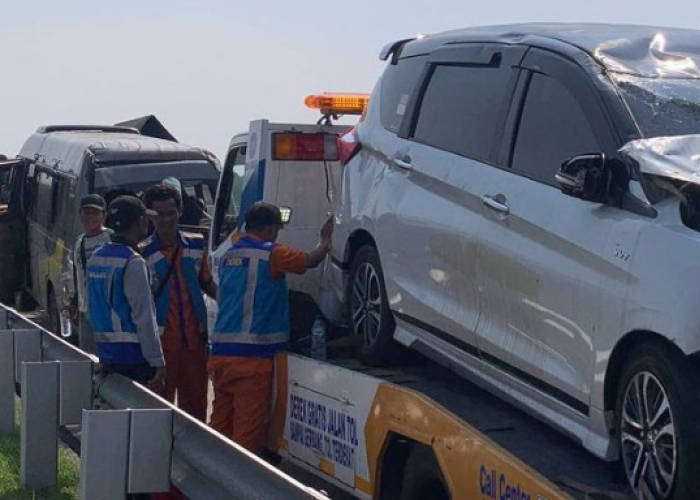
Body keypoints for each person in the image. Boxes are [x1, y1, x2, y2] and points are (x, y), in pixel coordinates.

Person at [208, 201, 333, 453]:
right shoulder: (272, 253)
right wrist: (325, 240)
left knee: (219, 428)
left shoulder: (229, 254)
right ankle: (238, 487)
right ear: (270, 229)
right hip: (251, 361)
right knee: (247, 436)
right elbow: (310, 261)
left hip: (221, 356)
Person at [140, 184, 216, 421]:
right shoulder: (141, 253)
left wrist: (235, 303)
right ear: (149, 215)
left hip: (195, 345)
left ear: (180, 211)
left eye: (171, 212)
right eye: (159, 214)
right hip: (160, 348)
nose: (165, 220)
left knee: (195, 417)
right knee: (158, 415)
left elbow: (207, 283)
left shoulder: (196, 244)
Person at [86, 195, 165, 391]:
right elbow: (144, 315)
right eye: (145, 219)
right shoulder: (133, 261)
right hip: (134, 356)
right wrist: (157, 360)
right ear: (139, 223)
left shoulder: (96, 257)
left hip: (106, 353)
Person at [62, 194, 113, 353]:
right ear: (80, 214)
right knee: (89, 359)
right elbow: (80, 276)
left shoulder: (111, 238)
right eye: (87, 212)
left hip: (108, 311)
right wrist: (74, 303)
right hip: (86, 311)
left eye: (95, 212)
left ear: (104, 215)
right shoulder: (80, 241)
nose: (90, 217)